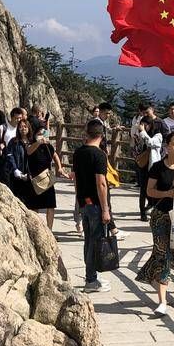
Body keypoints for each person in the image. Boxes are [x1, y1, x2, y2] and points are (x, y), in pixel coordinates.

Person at [136, 132, 174, 315]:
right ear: (167, 146)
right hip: (161, 216)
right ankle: (162, 301)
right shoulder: (157, 167)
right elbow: (149, 191)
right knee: (162, 255)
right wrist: (167, 194)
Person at [72, 118, 112, 293]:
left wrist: (79, 199)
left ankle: (92, 275)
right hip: (95, 204)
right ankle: (91, 280)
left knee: (89, 241)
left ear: (87, 133)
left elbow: (75, 179)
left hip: (83, 201)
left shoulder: (78, 152)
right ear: (101, 136)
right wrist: (105, 209)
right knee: (95, 241)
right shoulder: (99, 155)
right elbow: (101, 183)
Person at [27, 125, 67, 232]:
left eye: (43, 134)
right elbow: (29, 152)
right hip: (36, 179)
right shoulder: (32, 145)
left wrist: (59, 167)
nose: (41, 136)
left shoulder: (48, 147)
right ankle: (35, 229)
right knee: (35, 207)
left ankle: (49, 230)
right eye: (39, 134)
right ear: (35, 135)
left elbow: (55, 155)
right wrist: (38, 142)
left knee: (50, 206)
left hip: (47, 178)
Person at [133, 113, 164, 220]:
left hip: (153, 166)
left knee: (152, 188)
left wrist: (143, 132)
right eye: (142, 125)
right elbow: (138, 147)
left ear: (150, 125)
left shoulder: (158, 135)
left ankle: (151, 205)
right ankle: (142, 213)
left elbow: (150, 143)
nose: (143, 127)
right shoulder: (141, 134)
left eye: (145, 124)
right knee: (143, 190)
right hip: (142, 165)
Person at [4, 119, 40, 210]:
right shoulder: (13, 141)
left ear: (28, 128)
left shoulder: (33, 142)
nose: (23, 128)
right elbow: (9, 155)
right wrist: (15, 169)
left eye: (25, 126)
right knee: (18, 202)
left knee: (32, 204)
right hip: (17, 176)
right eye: (20, 127)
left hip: (31, 177)